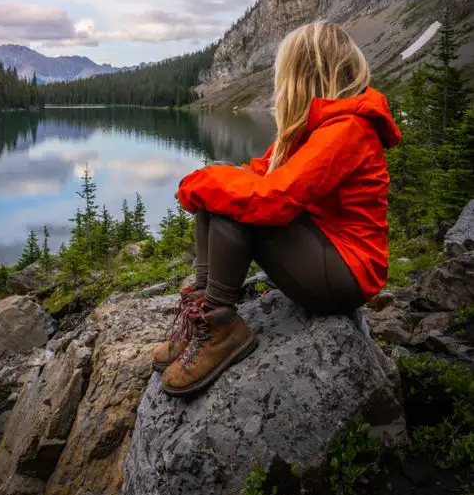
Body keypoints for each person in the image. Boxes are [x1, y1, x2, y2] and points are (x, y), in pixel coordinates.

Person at [153, 21, 401, 397]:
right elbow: (263, 171)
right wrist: (209, 178)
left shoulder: (348, 128)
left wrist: (210, 184)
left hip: (346, 274)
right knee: (219, 192)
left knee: (233, 204)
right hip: (323, 250)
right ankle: (203, 314)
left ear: (305, 72)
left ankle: (222, 328)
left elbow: (273, 200)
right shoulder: (319, 126)